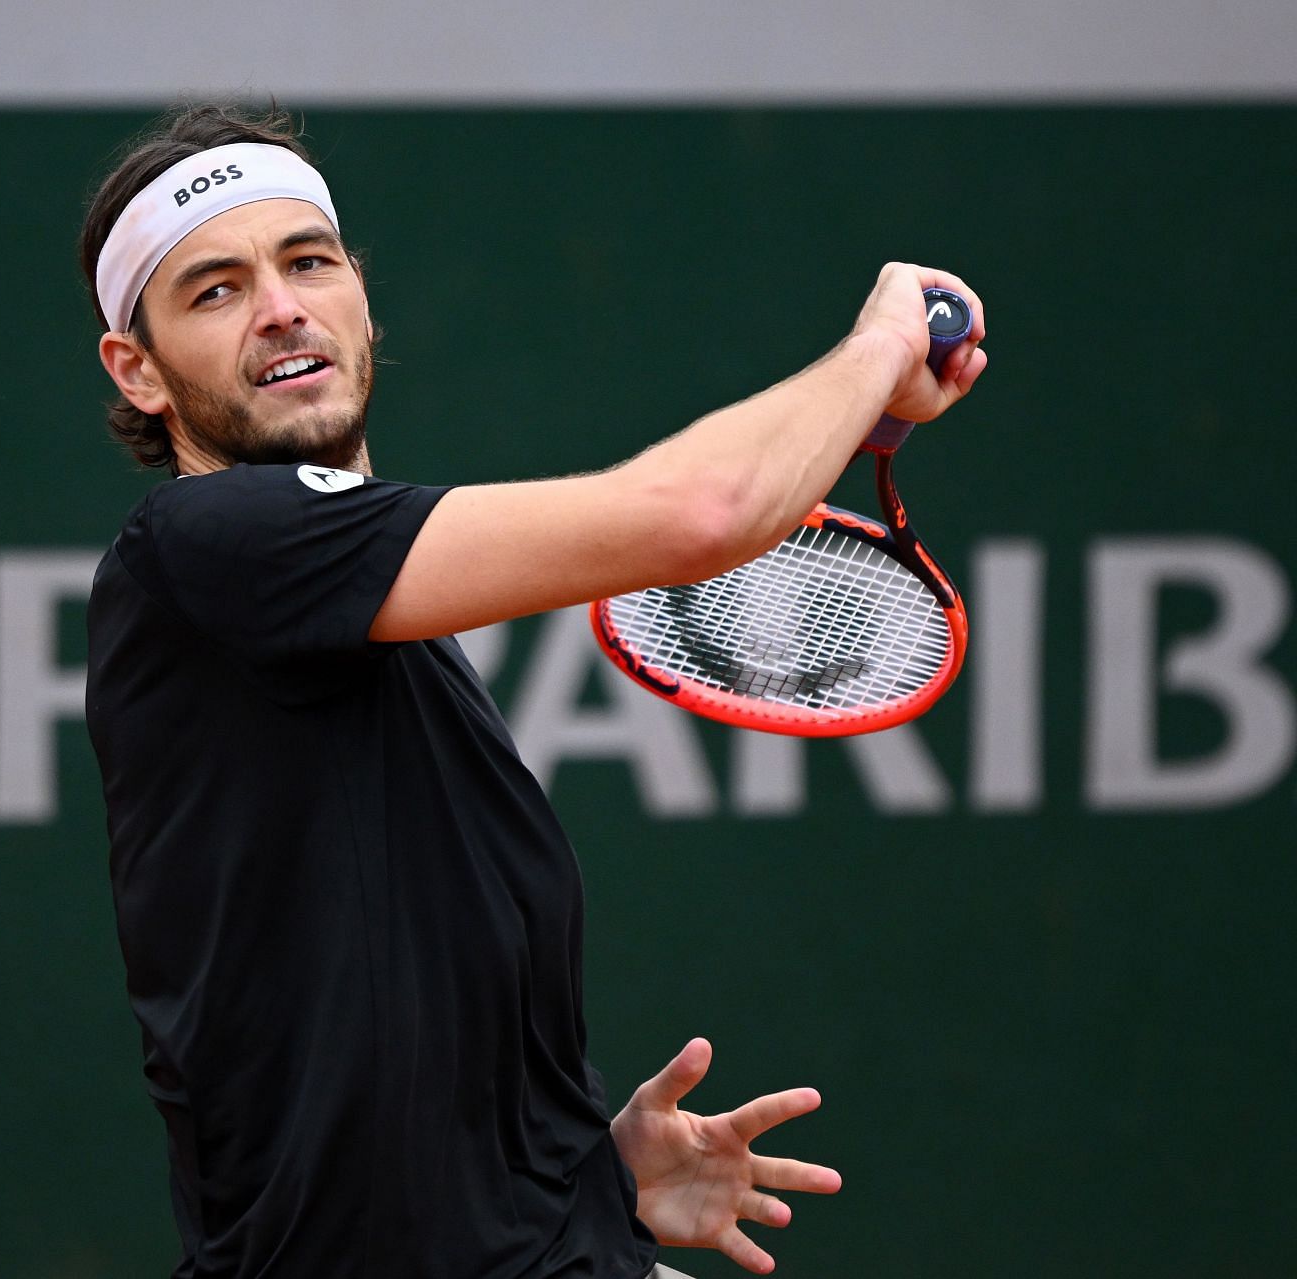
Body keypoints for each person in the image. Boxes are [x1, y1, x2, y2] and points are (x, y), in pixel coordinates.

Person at [79, 103, 986, 1279]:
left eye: (308, 263)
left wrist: (589, 1177)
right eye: (215, 289)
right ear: (137, 371)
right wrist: (879, 353)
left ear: (359, 292)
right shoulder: (210, 540)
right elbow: (699, 515)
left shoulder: (381, 633)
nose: (282, 306)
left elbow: (378, 1028)